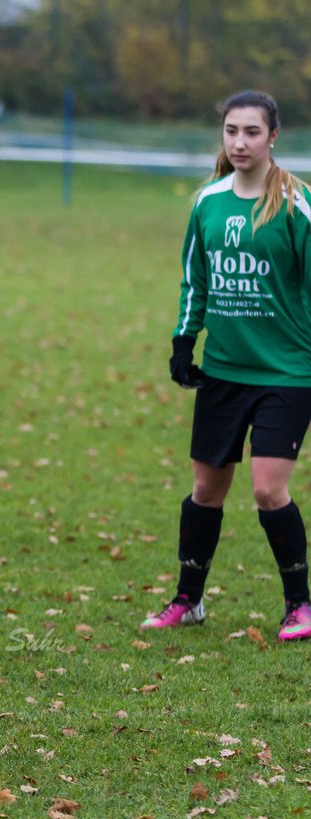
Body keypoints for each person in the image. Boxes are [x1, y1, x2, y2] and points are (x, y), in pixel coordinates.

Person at [141, 89, 311, 642]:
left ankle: (300, 605)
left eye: (252, 132)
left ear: (273, 137)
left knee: (267, 489)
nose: (240, 142)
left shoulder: (295, 204)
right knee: (205, 490)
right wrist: (183, 343)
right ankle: (188, 600)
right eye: (232, 131)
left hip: (287, 371)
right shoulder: (207, 202)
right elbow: (197, 279)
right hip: (224, 370)